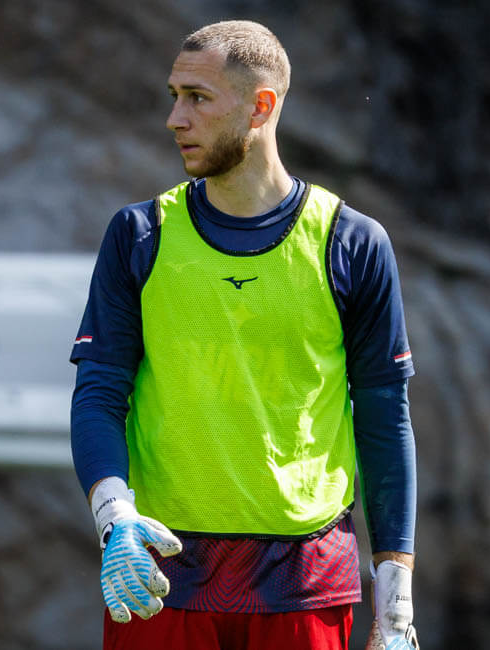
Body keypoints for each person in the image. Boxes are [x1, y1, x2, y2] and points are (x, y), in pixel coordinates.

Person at [70, 19, 419, 650]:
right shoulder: (139, 235)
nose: (175, 118)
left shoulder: (352, 242)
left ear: (261, 106)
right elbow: (98, 393)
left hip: (306, 582)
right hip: (159, 575)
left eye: (197, 98)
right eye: (174, 96)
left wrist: (395, 602)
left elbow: (384, 420)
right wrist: (114, 516)